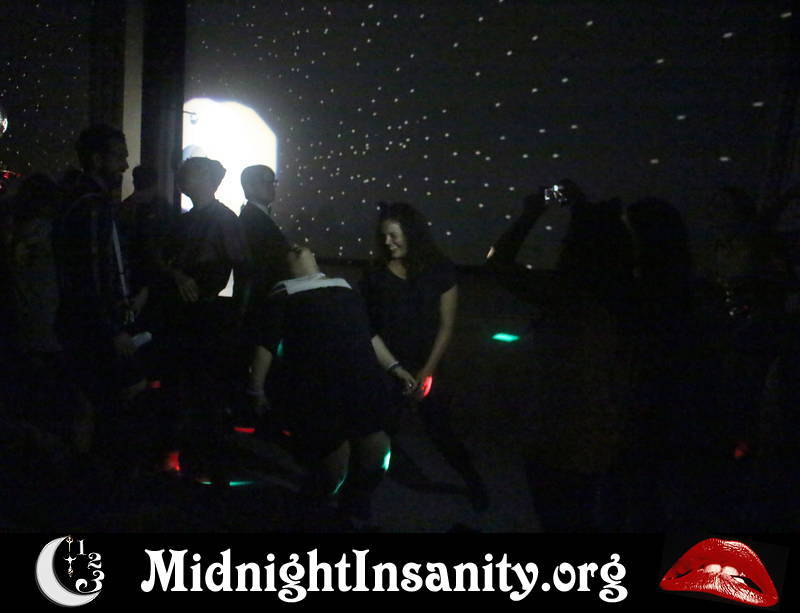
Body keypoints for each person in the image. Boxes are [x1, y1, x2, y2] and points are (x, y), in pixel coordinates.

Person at [487, 182, 636, 531]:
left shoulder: (568, 297)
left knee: (561, 515)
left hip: (558, 434)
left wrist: (532, 212)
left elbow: (498, 262)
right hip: (599, 436)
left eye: (569, 240)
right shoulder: (631, 299)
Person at [249, 245, 398, 527]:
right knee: (334, 466)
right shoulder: (283, 294)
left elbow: (369, 335)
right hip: (322, 388)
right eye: (290, 250)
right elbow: (265, 346)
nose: (297, 248)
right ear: (285, 266)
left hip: (361, 381)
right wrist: (256, 390)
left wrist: (395, 367)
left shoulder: (344, 287)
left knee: (377, 451)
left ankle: (353, 503)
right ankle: (311, 513)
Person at [359, 201, 489, 512]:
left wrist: (427, 370)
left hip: (426, 366)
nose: (387, 242)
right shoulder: (375, 274)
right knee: (379, 434)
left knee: (441, 430)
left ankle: (474, 483)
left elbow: (446, 325)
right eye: (383, 236)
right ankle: (360, 497)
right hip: (386, 367)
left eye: (393, 235)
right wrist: (394, 368)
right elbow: (367, 328)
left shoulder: (440, 269)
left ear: (412, 233)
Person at [158, 157, 251, 475]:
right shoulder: (189, 220)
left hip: (207, 318)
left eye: (191, 174)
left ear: (209, 180)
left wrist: (236, 317)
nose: (184, 179)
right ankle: (194, 458)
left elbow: (243, 270)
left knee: (203, 390)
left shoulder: (222, 219)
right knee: (189, 388)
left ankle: (203, 459)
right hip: (190, 316)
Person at [237, 165, 289, 318]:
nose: (271, 186)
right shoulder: (252, 221)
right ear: (248, 186)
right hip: (261, 303)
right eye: (265, 181)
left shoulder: (252, 217)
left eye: (273, 182)